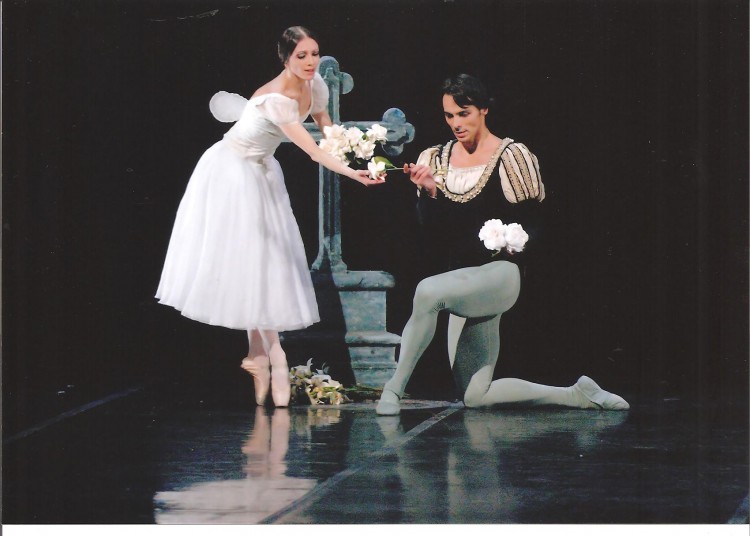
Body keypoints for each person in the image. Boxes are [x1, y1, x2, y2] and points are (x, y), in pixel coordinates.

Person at [156, 26, 383, 408]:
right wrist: (353, 175)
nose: (311, 62)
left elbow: (330, 133)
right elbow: (313, 152)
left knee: (264, 264)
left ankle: (257, 358)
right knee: (251, 259)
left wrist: (361, 157)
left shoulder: (317, 88)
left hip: (262, 169)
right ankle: (277, 358)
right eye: (302, 57)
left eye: (314, 53)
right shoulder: (275, 99)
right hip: (231, 169)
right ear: (286, 59)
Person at [376, 74, 628, 415]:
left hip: (499, 275)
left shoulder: (511, 155)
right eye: (449, 115)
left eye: (463, 113)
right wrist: (430, 194)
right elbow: (436, 235)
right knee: (475, 396)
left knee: (427, 292)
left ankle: (393, 390)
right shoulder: (435, 158)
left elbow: (537, 219)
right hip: (462, 281)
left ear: (483, 110)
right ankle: (577, 395)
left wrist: (518, 244)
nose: (455, 123)